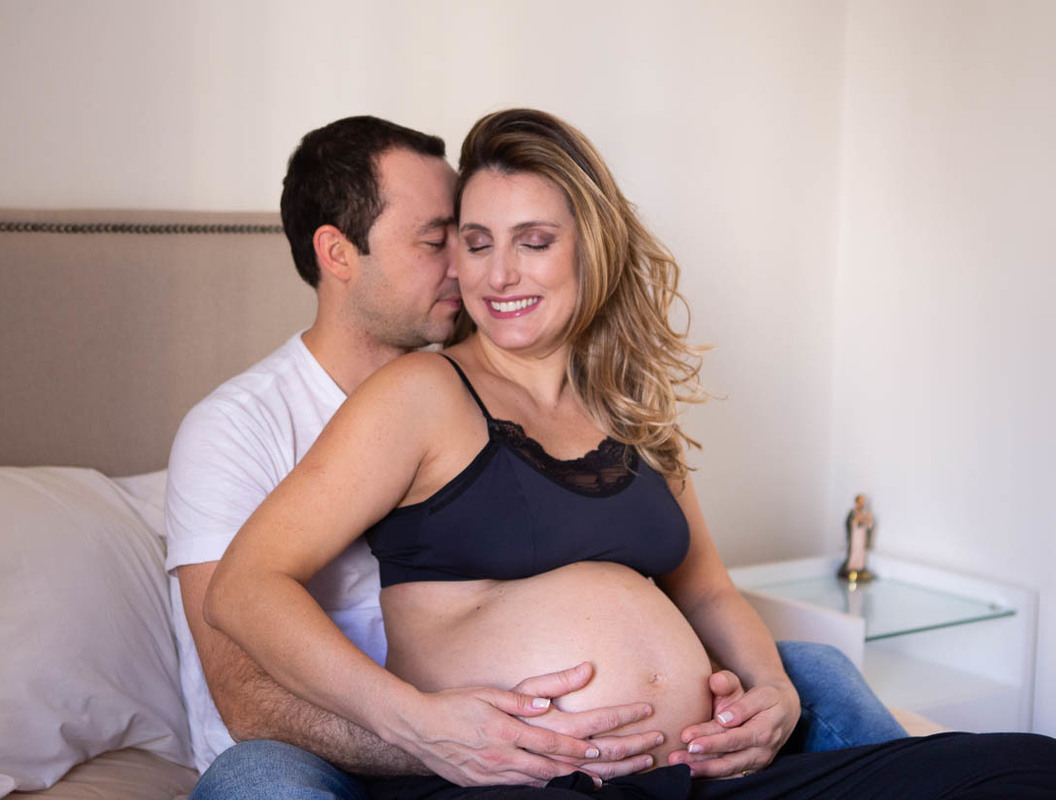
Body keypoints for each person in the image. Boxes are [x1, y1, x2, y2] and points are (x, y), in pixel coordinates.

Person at [202, 109, 1056, 798]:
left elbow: (707, 587)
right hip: (525, 782)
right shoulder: (421, 392)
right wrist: (416, 724)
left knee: (1024, 768)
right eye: (476, 242)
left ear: (591, 245)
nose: (498, 275)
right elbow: (245, 586)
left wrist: (771, 691)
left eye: (534, 240)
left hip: (695, 774)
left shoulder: (629, 401)